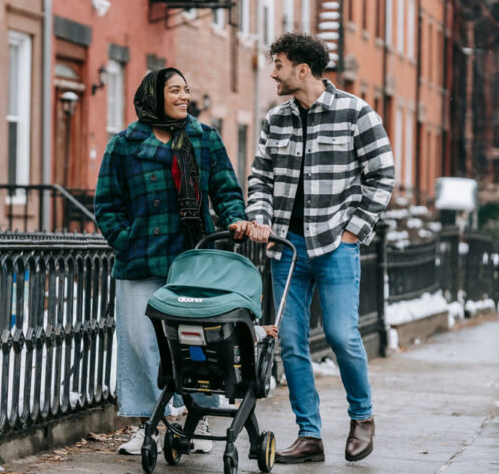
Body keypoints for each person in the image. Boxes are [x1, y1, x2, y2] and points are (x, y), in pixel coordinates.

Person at [234, 32, 394, 463]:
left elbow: (382, 175)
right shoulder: (276, 119)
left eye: (279, 64)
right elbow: (260, 178)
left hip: (336, 246)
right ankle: (310, 435)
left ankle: (362, 417)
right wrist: (262, 219)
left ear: (303, 70)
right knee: (291, 343)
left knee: (342, 335)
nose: (273, 72)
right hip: (287, 248)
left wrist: (353, 231)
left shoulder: (356, 113)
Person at [94, 68, 247, 455]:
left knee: (198, 342)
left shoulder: (204, 137)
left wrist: (236, 221)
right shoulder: (125, 144)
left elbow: (226, 189)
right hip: (139, 259)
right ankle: (148, 423)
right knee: (141, 343)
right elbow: (107, 205)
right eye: (174, 90)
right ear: (153, 96)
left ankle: (199, 417)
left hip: (193, 259)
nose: (184, 97)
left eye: (186, 90)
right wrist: (126, 240)